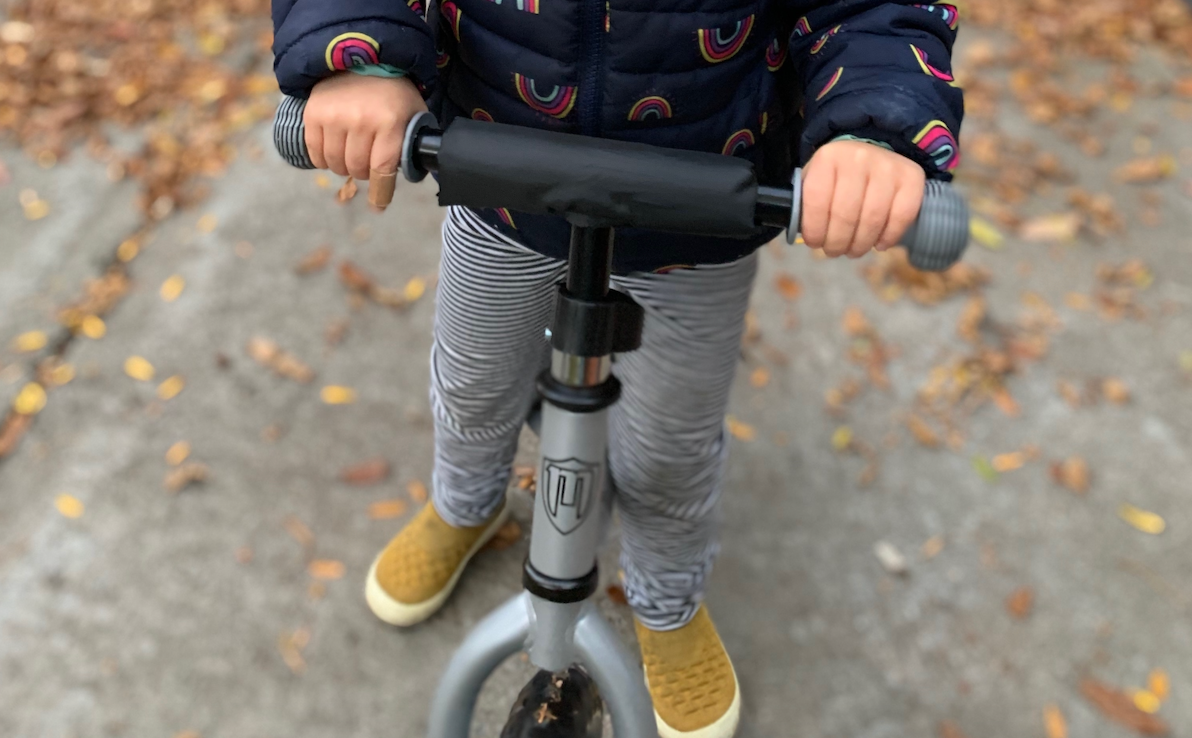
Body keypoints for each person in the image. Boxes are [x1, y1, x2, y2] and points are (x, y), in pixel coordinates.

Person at [271, 0, 963, 734]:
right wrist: (361, 52)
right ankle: (464, 504)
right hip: (501, 192)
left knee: (668, 449)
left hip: (699, 216)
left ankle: (664, 598)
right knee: (474, 387)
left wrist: (874, 121)